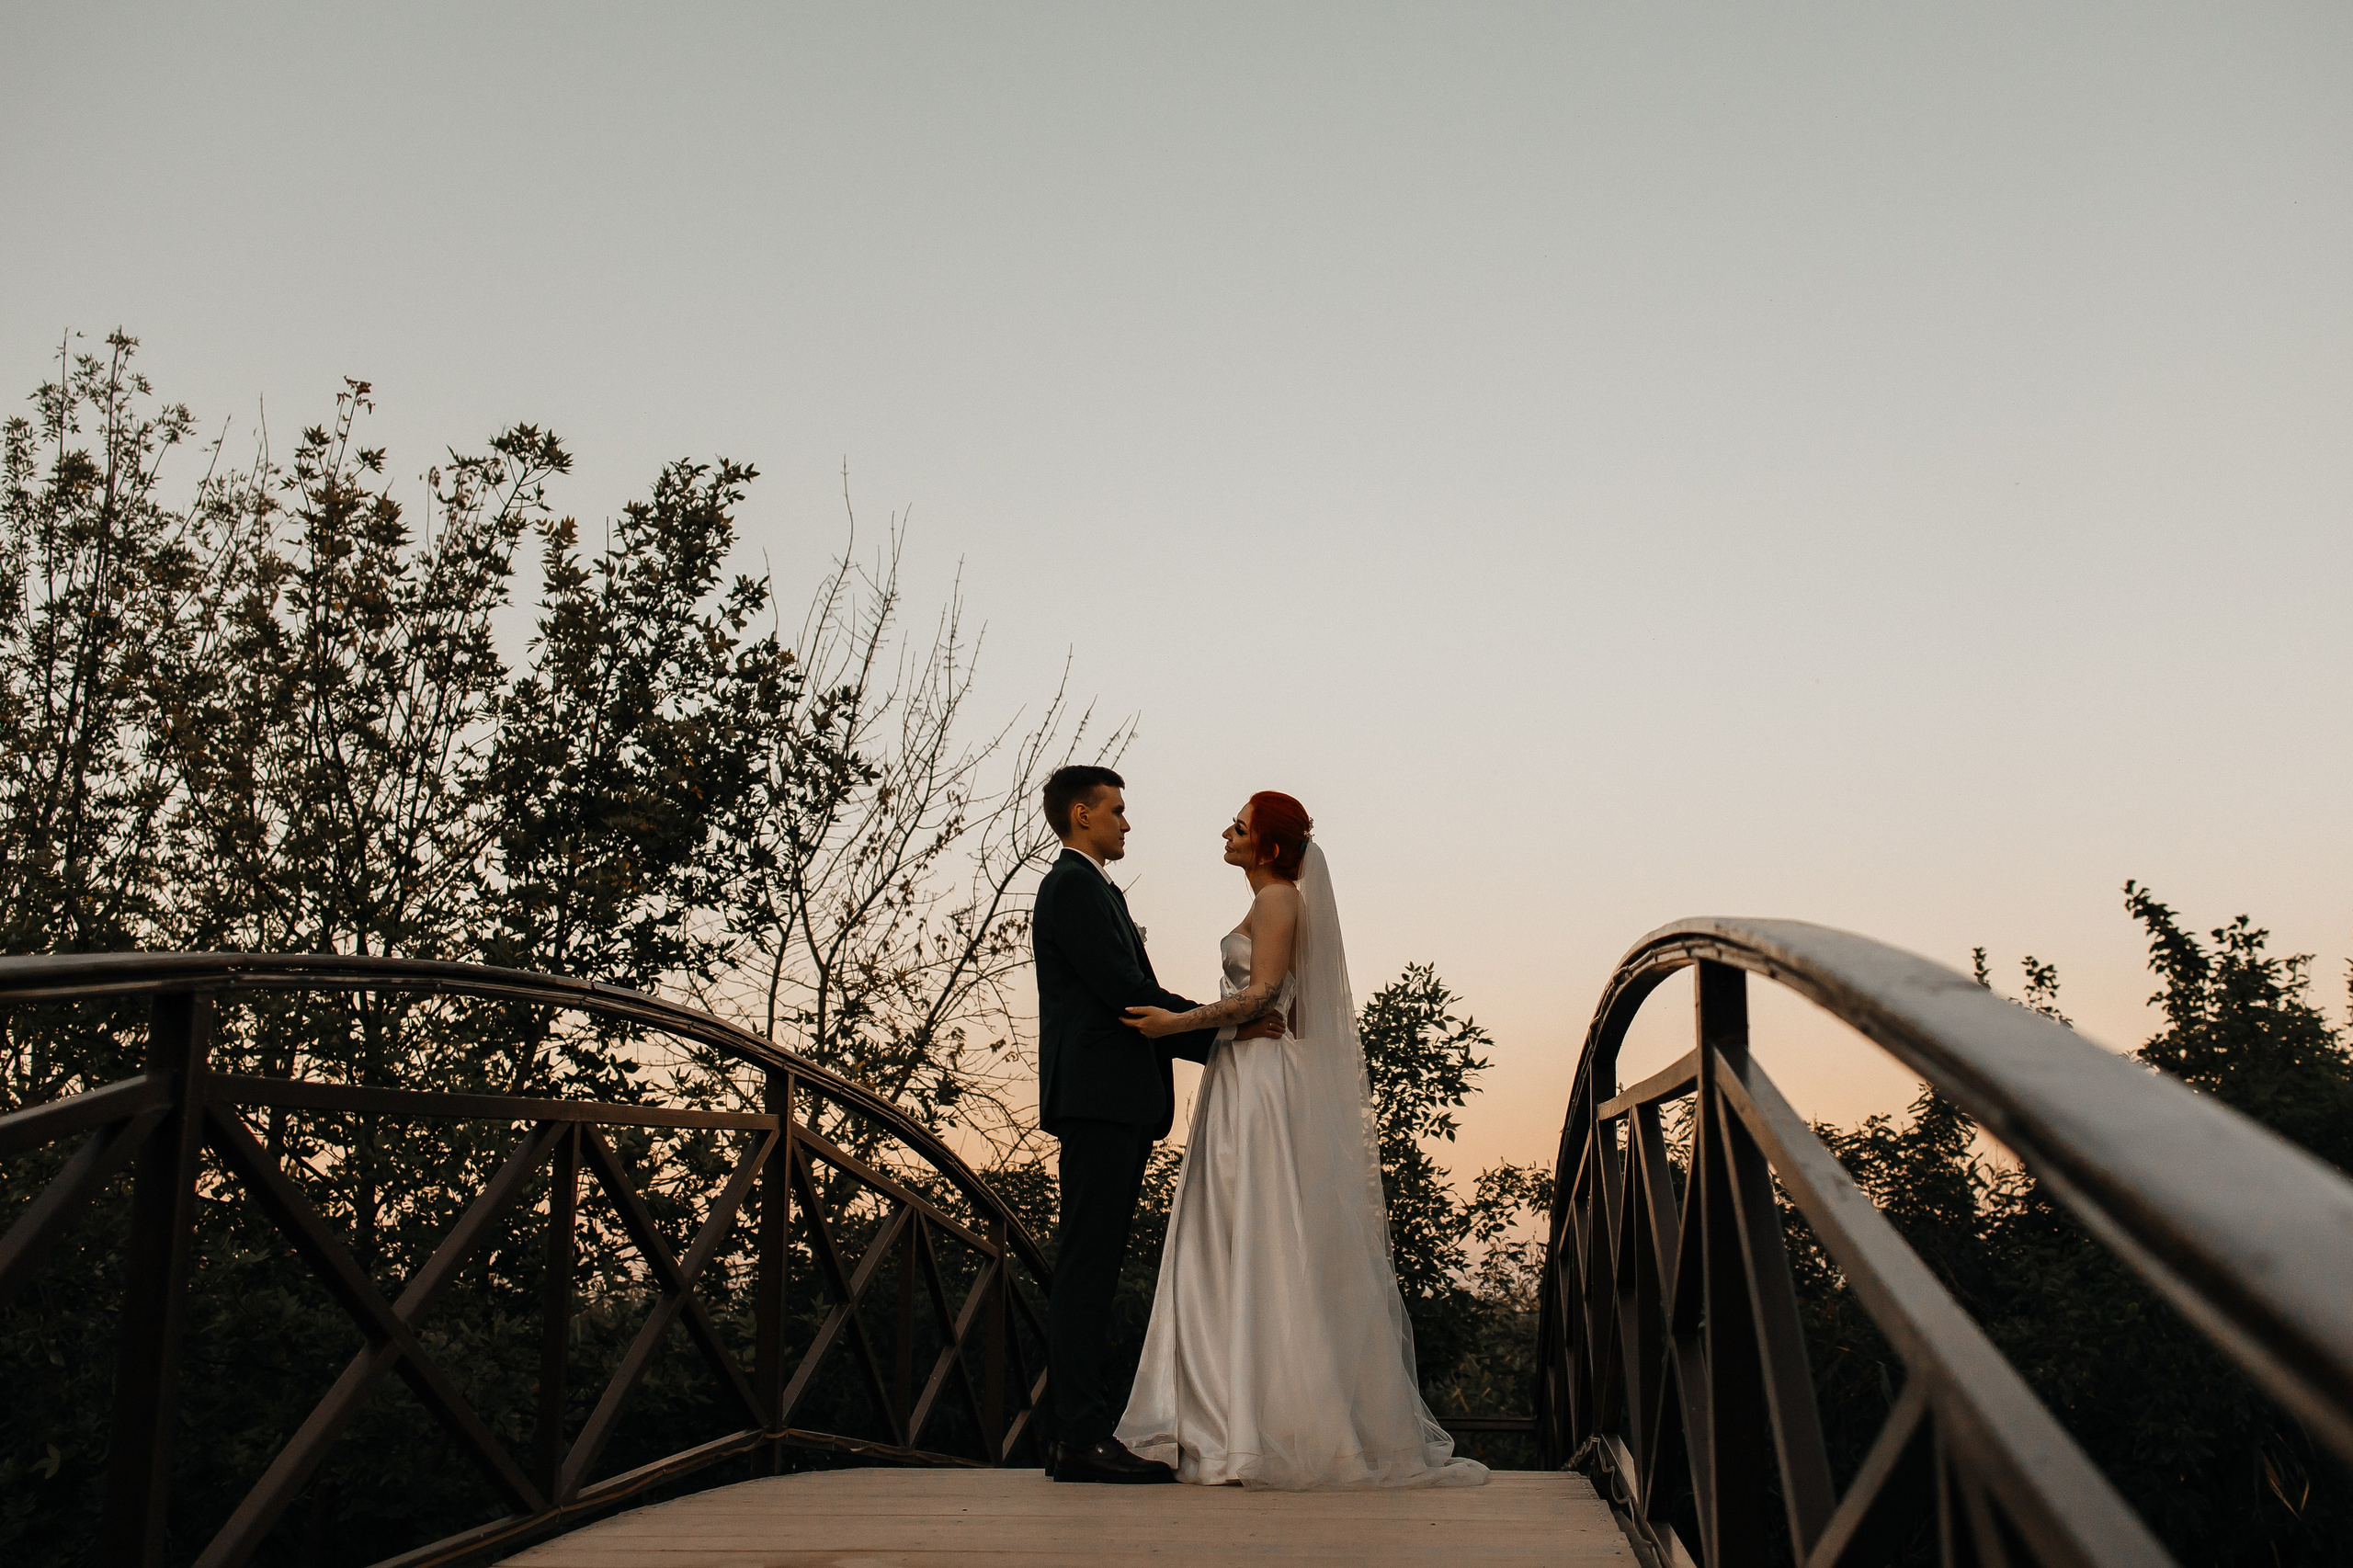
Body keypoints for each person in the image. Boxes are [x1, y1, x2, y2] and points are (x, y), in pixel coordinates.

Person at [1113, 792, 1489, 1490]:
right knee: (1230, 1230)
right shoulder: (1276, 902)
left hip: (1257, 1082)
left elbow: (1264, 994)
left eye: (1240, 827)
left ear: (1270, 847)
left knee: (1256, 1227)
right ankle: (1226, 1412)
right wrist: (1245, 1026)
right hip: (1245, 1070)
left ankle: (1250, 1423)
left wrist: (1175, 1024)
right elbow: (1296, 1008)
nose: (1226, 833)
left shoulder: (1281, 899)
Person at [1029, 765, 1286, 1483]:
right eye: (1115, 810)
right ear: (1082, 815)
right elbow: (1125, 993)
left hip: (1114, 1102)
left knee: (1096, 1263)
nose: (1126, 823)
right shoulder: (1072, 887)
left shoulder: (1092, 888)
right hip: (1098, 1100)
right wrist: (1225, 1039)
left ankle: (1081, 1432)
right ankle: (1077, 1436)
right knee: (1086, 1266)